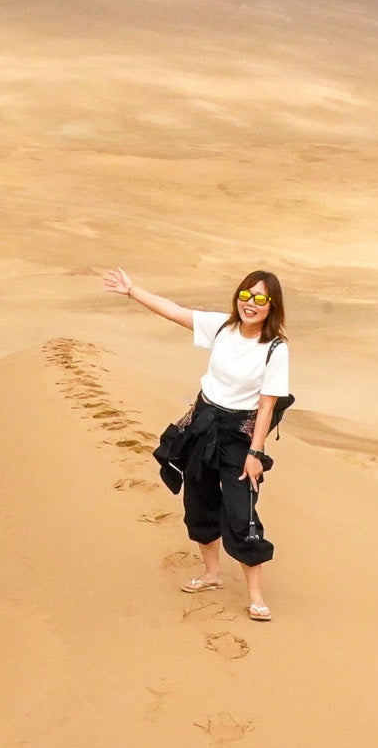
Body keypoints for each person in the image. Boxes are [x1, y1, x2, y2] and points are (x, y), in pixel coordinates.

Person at [102, 266, 291, 622]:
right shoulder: (222, 327)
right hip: (204, 422)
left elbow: (266, 405)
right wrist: (132, 290)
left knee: (241, 512)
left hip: (240, 433)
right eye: (246, 295)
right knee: (199, 499)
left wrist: (255, 452)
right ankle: (212, 574)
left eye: (261, 298)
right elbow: (174, 311)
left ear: (272, 306)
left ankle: (256, 596)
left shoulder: (275, 349)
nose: (251, 303)